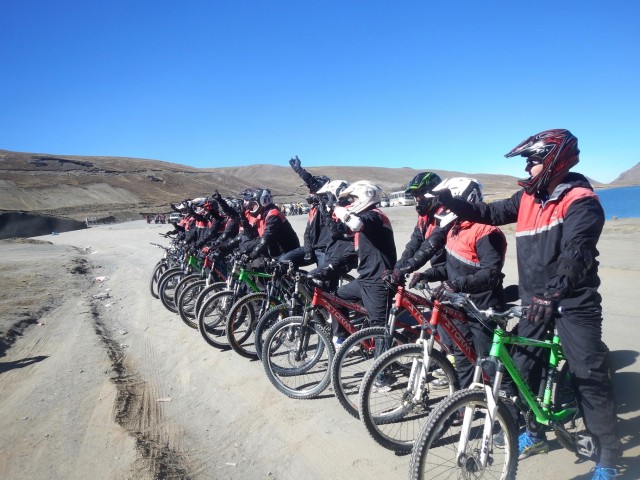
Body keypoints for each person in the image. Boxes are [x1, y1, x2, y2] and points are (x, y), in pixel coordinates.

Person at [433, 129, 621, 479]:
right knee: (523, 371)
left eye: (532, 159)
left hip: (572, 304)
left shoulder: (580, 200)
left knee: (588, 375)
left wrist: (553, 294)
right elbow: (487, 212)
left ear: (553, 159)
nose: (528, 166)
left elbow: (576, 255)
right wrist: (453, 202)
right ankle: (534, 432)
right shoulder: (527, 199)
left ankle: (607, 458)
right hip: (534, 303)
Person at [410, 177, 507, 392]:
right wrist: (427, 274)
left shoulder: (487, 231)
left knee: (490, 362)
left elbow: (491, 274)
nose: (443, 207)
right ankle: (465, 404)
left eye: (447, 203)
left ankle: (507, 407)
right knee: (463, 358)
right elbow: (452, 267)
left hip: (483, 306)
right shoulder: (455, 228)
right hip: (460, 303)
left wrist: (456, 284)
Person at [312, 180, 396, 346]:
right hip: (365, 279)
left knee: (379, 330)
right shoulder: (365, 226)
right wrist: (325, 269)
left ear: (365, 197)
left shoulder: (375, 216)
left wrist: (336, 207)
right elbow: (345, 243)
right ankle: (344, 337)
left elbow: (356, 223)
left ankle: (382, 370)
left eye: (353, 200)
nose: (351, 203)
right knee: (335, 298)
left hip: (379, 281)